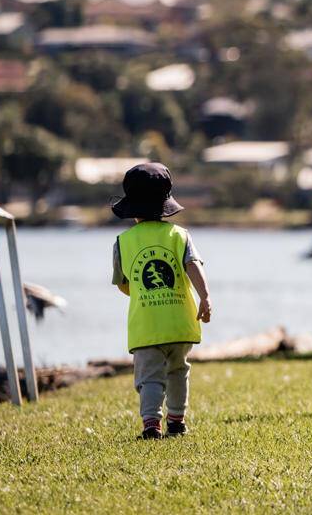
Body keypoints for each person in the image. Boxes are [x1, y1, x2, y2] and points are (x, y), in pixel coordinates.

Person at [110, 162, 212, 439]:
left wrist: (142, 293)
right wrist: (205, 297)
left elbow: (123, 284)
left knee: (150, 377)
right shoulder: (181, 236)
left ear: (132, 210)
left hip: (147, 326)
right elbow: (194, 266)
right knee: (179, 370)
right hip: (180, 323)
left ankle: (151, 424)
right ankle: (177, 421)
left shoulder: (123, 242)